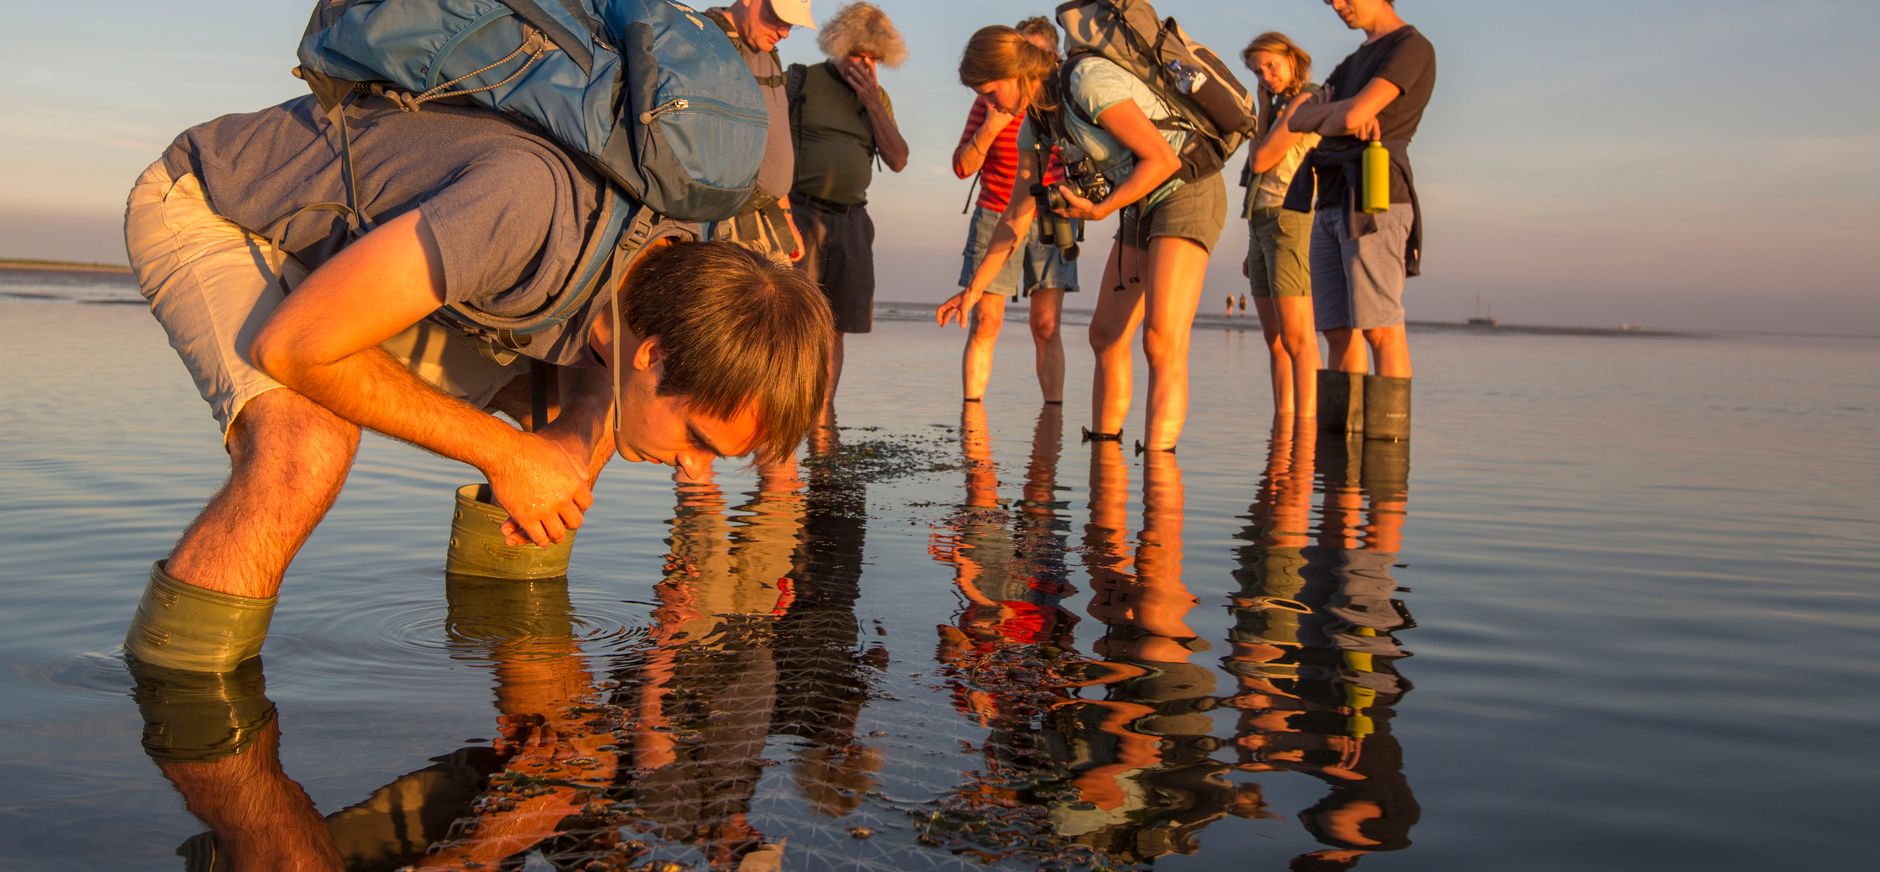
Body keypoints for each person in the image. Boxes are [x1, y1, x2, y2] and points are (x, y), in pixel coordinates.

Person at [121, 94, 834, 674]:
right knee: (305, 449)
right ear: (651, 355)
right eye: (699, 439)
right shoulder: (524, 212)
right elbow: (296, 346)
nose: (691, 462)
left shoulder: (670, 262)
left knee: (575, 442)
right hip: (226, 210)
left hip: (391, 267)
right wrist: (505, 452)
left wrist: (573, 432)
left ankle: (508, 667)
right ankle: (183, 700)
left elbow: (597, 369)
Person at [939, 24, 1228, 452]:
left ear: (1015, 73)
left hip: (1187, 186)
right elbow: (1015, 217)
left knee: (1160, 338)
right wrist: (973, 292)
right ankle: (1105, 456)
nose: (987, 103)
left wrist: (1102, 209)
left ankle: (1159, 469)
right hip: (1141, 203)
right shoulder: (1035, 127)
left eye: (989, 92)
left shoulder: (1085, 81)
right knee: (1105, 335)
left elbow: (1162, 157)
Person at [1285, 0, 1436, 439]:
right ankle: (1341, 458)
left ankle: (1387, 452)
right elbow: (1298, 119)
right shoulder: (1353, 61)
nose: (1336, 5)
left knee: (1379, 328)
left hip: (1376, 198)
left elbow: (1347, 116)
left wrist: (1334, 114)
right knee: (1335, 329)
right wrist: (1342, 114)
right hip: (1328, 200)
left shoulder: (1410, 47)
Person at [788, 1, 910, 429]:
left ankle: (823, 413)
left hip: (852, 219)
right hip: (799, 212)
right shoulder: (801, 80)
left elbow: (897, 159)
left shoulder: (879, 97)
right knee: (795, 320)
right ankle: (785, 410)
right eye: (858, 54)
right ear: (838, 46)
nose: (864, 64)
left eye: (874, 58)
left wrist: (872, 104)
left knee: (836, 325)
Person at [949, 16, 1079, 405]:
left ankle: (1052, 413)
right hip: (996, 209)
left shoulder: (1064, 98)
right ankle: (972, 414)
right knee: (986, 320)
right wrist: (990, 124)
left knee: (1046, 324)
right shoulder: (989, 99)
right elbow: (961, 167)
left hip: (1054, 213)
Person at [1241, 31, 1323, 419]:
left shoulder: (1306, 99)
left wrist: (1261, 114)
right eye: (1259, 71)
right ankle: (1283, 423)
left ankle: (1307, 428)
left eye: (1272, 65)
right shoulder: (1276, 108)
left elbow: (1261, 160)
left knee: (1297, 338)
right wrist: (1262, 106)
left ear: (1292, 58)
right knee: (1275, 340)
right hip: (1260, 221)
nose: (1267, 75)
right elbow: (1258, 174)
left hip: (1289, 217)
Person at [704, 0, 819, 266]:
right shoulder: (707, 39)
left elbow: (774, 140)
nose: (785, 32)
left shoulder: (770, 54)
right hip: (730, 223)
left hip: (769, 220)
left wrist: (786, 217)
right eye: (777, 16)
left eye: (791, 23)